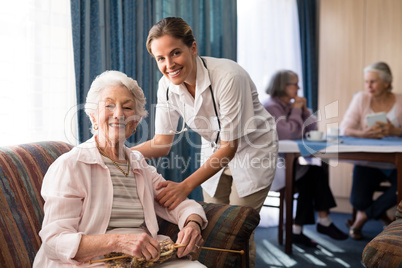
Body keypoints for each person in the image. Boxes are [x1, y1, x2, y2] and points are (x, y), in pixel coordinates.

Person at [132, 17, 278, 267]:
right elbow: (161, 143)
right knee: (212, 221)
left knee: (238, 226)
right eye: (161, 58)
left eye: (175, 52)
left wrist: (184, 186)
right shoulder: (165, 86)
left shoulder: (229, 76)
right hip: (215, 148)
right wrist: (114, 152)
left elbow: (230, 147)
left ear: (193, 48)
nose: (169, 64)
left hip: (253, 151)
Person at [33, 71, 208, 267]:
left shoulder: (140, 165)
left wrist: (192, 224)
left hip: (141, 260)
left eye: (126, 107)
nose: (118, 114)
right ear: (93, 117)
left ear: (134, 123)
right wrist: (118, 241)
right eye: (108, 105)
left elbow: (180, 204)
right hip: (91, 262)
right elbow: (54, 241)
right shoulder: (70, 165)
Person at [263, 70, 348, 247]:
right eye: (295, 84)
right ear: (282, 85)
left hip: (288, 164)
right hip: (272, 168)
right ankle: (320, 223)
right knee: (314, 174)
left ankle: (298, 231)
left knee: (313, 174)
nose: (299, 87)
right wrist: (296, 110)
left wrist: (305, 111)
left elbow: (311, 131)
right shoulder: (271, 107)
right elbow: (289, 134)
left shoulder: (288, 106)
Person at [340, 61, 402, 239]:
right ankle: (383, 216)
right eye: (366, 81)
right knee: (358, 200)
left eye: (373, 81)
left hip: (396, 163)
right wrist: (362, 134)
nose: (368, 86)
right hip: (368, 161)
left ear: (387, 82)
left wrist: (395, 131)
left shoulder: (400, 100)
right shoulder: (361, 98)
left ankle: (362, 218)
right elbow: (345, 128)